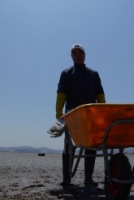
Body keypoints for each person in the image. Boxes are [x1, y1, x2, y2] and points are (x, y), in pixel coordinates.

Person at [56, 44, 106, 187]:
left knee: (91, 147)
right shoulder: (66, 73)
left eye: (80, 52)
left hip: (91, 116)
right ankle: (67, 179)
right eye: (74, 53)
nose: (77, 55)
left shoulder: (93, 74)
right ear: (71, 56)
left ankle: (88, 179)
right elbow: (61, 93)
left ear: (85, 55)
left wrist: (103, 112)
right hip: (72, 115)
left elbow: (99, 93)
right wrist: (59, 113)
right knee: (68, 147)